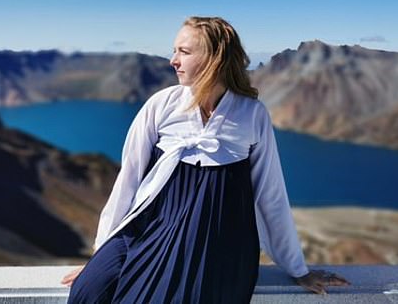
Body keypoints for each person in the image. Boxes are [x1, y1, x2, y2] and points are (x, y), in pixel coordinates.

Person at [62, 16, 350, 303]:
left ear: (216, 57)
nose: (173, 60)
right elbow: (129, 179)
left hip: (217, 243)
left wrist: (298, 269)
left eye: (184, 52)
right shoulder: (161, 105)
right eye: (174, 51)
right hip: (150, 228)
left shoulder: (251, 114)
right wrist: (100, 253)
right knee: (89, 291)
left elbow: (270, 194)